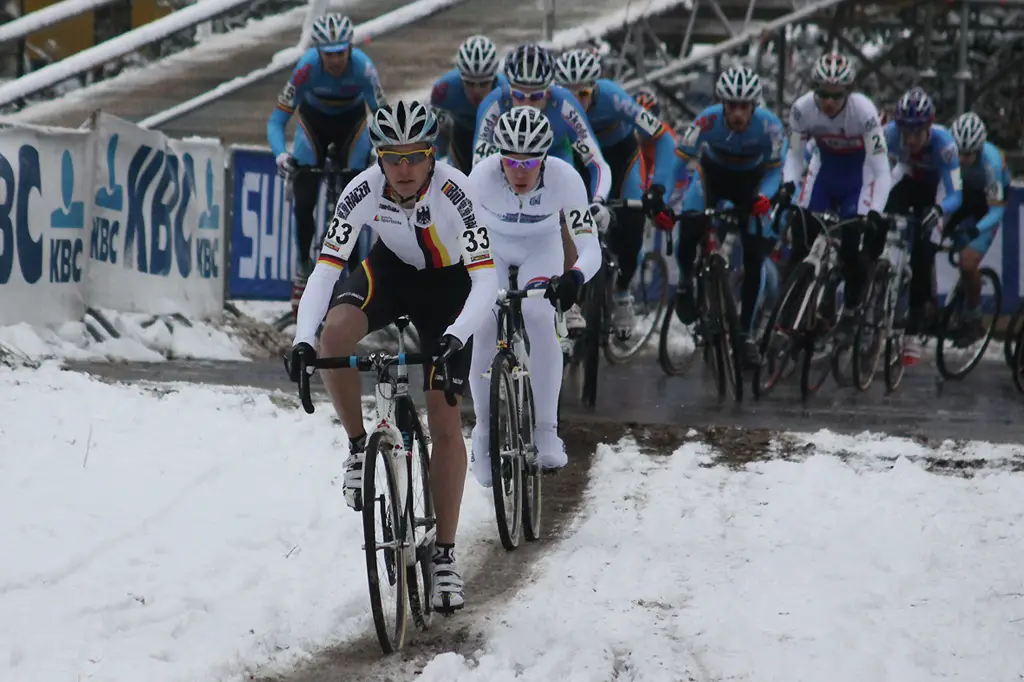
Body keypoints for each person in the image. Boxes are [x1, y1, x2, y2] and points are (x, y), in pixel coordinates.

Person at [288, 100, 498, 614]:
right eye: (392, 157)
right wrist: (302, 339)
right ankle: (360, 447)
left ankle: (445, 555)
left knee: (444, 418)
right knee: (334, 336)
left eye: (414, 157)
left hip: (450, 291)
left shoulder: (457, 191)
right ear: (378, 157)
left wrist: (455, 337)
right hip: (392, 272)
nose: (403, 170)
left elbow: (486, 279)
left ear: (433, 156)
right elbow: (324, 270)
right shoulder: (364, 188)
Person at [466, 106, 603, 487]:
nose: (520, 170)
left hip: (541, 249)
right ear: (499, 157)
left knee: (539, 315)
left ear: (546, 158)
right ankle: (482, 434)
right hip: (492, 247)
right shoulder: (481, 178)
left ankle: (546, 429)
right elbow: (462, 237)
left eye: (530, 162)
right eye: (510, 160)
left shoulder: (565, 179)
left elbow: (590, 247)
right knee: (485, 320)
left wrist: (574, 277)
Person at [472, 43, 611, 336]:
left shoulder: (564, 103)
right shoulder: (493, 106)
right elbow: (479, 168)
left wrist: (597, 200)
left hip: (554, 158)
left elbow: (596, 162)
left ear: (550, 90)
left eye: (536, 96)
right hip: (507, 165)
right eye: (518, 95)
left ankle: (568, 302)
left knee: (563, 215)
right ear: (507, 89)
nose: (526, 104)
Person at [267, 14, 387, 318]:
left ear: (349, 47)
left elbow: (385, 120)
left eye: (340, 52)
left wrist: (383, 152)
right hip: (313, 124)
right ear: (319, 52)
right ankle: (303, 266)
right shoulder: (306, 67)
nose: (334, 60)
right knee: (304, 195)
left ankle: (358, 276)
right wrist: (281, 155)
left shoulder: (364, 67)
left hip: (352, 126)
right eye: (328, 54)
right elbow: (276, 120)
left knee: (358, 200)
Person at [553, 49, 678, 332]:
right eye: (569, 93)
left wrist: (658, 189)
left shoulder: (613, 97)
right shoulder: (554, 104)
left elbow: (663, 137)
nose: (577, 102)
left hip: (620, 161)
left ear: (595, 88)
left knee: (631, 227)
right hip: (581, 165)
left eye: (583, 93)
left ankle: (622, 293)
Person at [674, 65, 788, 366]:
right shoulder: (706, 120)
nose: (737, 114)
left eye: (744, 107)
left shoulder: (771, 127)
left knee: (754, 256)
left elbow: (777, 171)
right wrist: (663, 194)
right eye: (731, 106)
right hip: (713, 177)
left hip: (752, 183)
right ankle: (686, 282)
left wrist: (765, 197)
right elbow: (681, 157)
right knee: (689, 222)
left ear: (754, 106)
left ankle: (745, 334)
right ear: (722, 105)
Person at [780, 52, 892, 343]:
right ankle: (788, 316)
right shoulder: (802, 109)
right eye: (822, 93)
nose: (828, 101)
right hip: (824, 173)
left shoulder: (865, 113)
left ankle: (853, 308)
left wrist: (875, 212)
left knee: (851, 249)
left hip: (859, 177)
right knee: (801, 241)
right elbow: (793, 155)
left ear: (848, 92)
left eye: (836, 95)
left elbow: (881, 170)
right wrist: (788, 186)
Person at [883, 87, 964, 365]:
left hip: (938, 192)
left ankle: (913, 332)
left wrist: (940, 211)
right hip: (908, 180)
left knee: (922, 253)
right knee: (877, 217)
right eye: (905, 130)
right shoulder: (889, 135)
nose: (909, 138)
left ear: (929, 127)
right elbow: (875, 172)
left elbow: (956, 193)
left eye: (916, 132)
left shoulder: (945, 144)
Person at [946, 111, 1011, 344]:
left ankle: (974, 318)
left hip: (989, 203)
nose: (962, 159)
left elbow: (996, 211)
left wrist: (975, 230)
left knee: (968, 261)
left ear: (979, 149)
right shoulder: (947, 151)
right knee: (927, 241)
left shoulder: (991, 163)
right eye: (959, 152)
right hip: (964, 197)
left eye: (968, 154)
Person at [430, 35, 507, 174]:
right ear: (461, 79)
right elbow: (432, 136)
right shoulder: (443, 90)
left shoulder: (506, 91)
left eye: (483, 83)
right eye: (469, 83)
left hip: (494, 138)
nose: (476, 91)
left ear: (494, 79)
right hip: (460, 136)